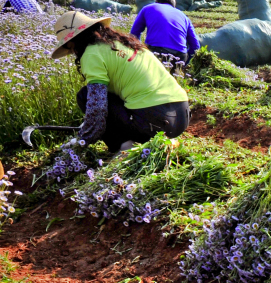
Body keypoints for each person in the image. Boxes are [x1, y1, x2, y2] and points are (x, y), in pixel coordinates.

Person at [44, 11, 190, 178]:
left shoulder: (91, 53)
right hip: (180, 117)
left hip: (154, 122)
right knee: (107, 96)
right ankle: (145, 140)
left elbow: (97, 108)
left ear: (74, 42)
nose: (73, 53)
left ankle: (124, 148)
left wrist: (84, 139)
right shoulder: (122, 43)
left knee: (85, 96)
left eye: (70, 48)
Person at [129, 0, 201, 73]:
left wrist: (139, 53)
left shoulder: (148, 8)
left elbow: (134, 34)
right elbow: (196, 46)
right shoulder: (184, 16)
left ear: (156, 1)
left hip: (157, 51)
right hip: (180, 55)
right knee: (172, 81)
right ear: (173, 6)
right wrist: (185, 63)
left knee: (152, 79)